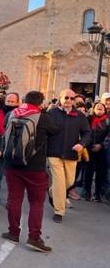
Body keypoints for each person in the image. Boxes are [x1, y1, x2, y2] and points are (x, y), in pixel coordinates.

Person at [2, 90, 59, 252]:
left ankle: (13, 232)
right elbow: (56, 130)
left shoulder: (12, 114)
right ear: (41, 103)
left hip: (12, 164)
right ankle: (34, 237)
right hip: (35, 167)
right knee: (36, 202)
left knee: (14, 199)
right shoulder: (44, 117)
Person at [47, 89, 91, 223]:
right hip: (54, 153)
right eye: (66, 97)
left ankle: (52, 192)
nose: (69, 101)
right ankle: (59, 211)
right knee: (59, 182)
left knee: (69, 182)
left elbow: (87, 133)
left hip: (71, 154)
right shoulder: (51, 113)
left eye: (72, 99)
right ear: (60, 98)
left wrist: (82, 144)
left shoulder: (79, 116)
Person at [0, 92, 21, 210]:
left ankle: (12, 201)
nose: (9, 103)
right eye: (8, 101)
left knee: (13, 180)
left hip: (14, 150)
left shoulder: (21, 114)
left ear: (18, 102)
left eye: (12, 102)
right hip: (0, 148)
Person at [85, 101, 108, 202]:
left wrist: (101, 145)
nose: (99, 108)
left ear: (104, 110)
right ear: (93, 109)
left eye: (101, 107)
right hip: (89, 149)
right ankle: (87, 193)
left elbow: (109, 136)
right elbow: (85, 132)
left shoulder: (108, 121)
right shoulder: (88, 119)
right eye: (97, 107)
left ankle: (97, 194)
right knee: (88, 172)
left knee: (100, 173)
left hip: (102, 150)